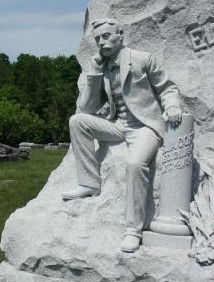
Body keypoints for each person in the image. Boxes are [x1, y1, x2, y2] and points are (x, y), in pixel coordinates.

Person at [62, 19, 182, 253]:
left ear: (120, 35)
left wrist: (173, 107)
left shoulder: (143, 58)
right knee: (77, 121)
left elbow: (167, 87)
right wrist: (94, 73)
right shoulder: (101, 66)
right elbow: (87, 107)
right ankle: (89, 183)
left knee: (136, 164)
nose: (101, 42)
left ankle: (132, 231)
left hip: (145, 127)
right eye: (97, 39)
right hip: (117, 125)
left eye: (106, 36)